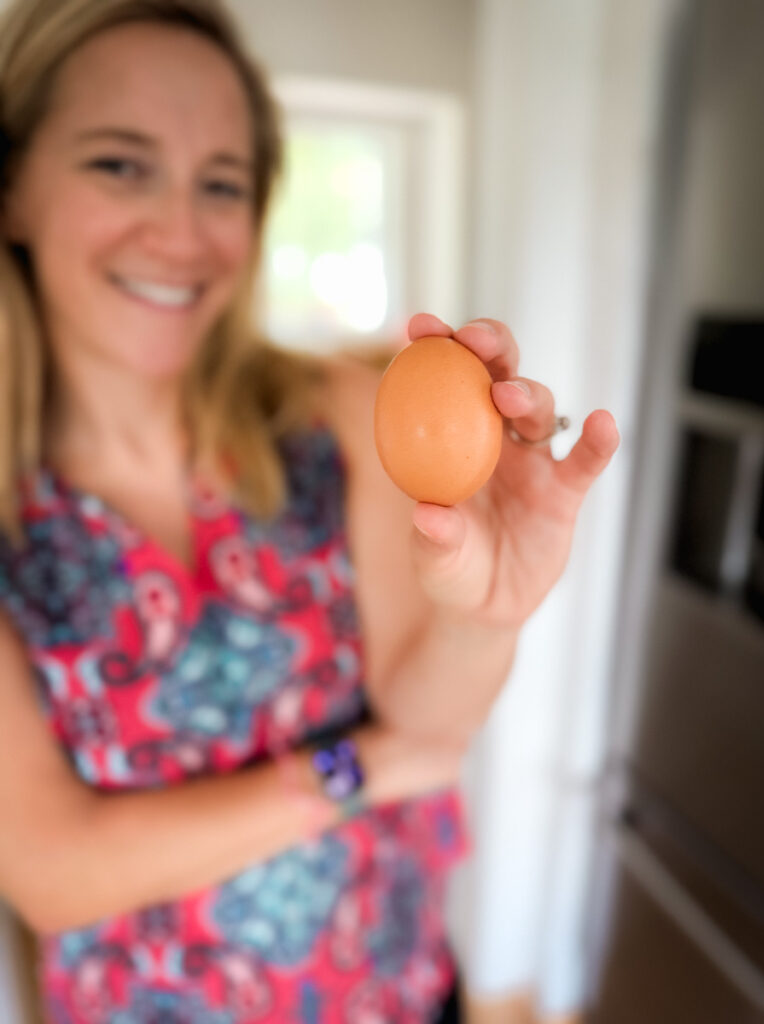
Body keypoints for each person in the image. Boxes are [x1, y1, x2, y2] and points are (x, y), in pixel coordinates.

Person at [0, 0, 620, 1021]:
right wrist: (355, 766)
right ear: (14, 186)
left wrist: (482, 611)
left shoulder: (331, 416)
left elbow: (432, 725)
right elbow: (50, 868)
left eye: (223, 183)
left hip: (397, 984)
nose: (182, 231)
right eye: (120, 164)